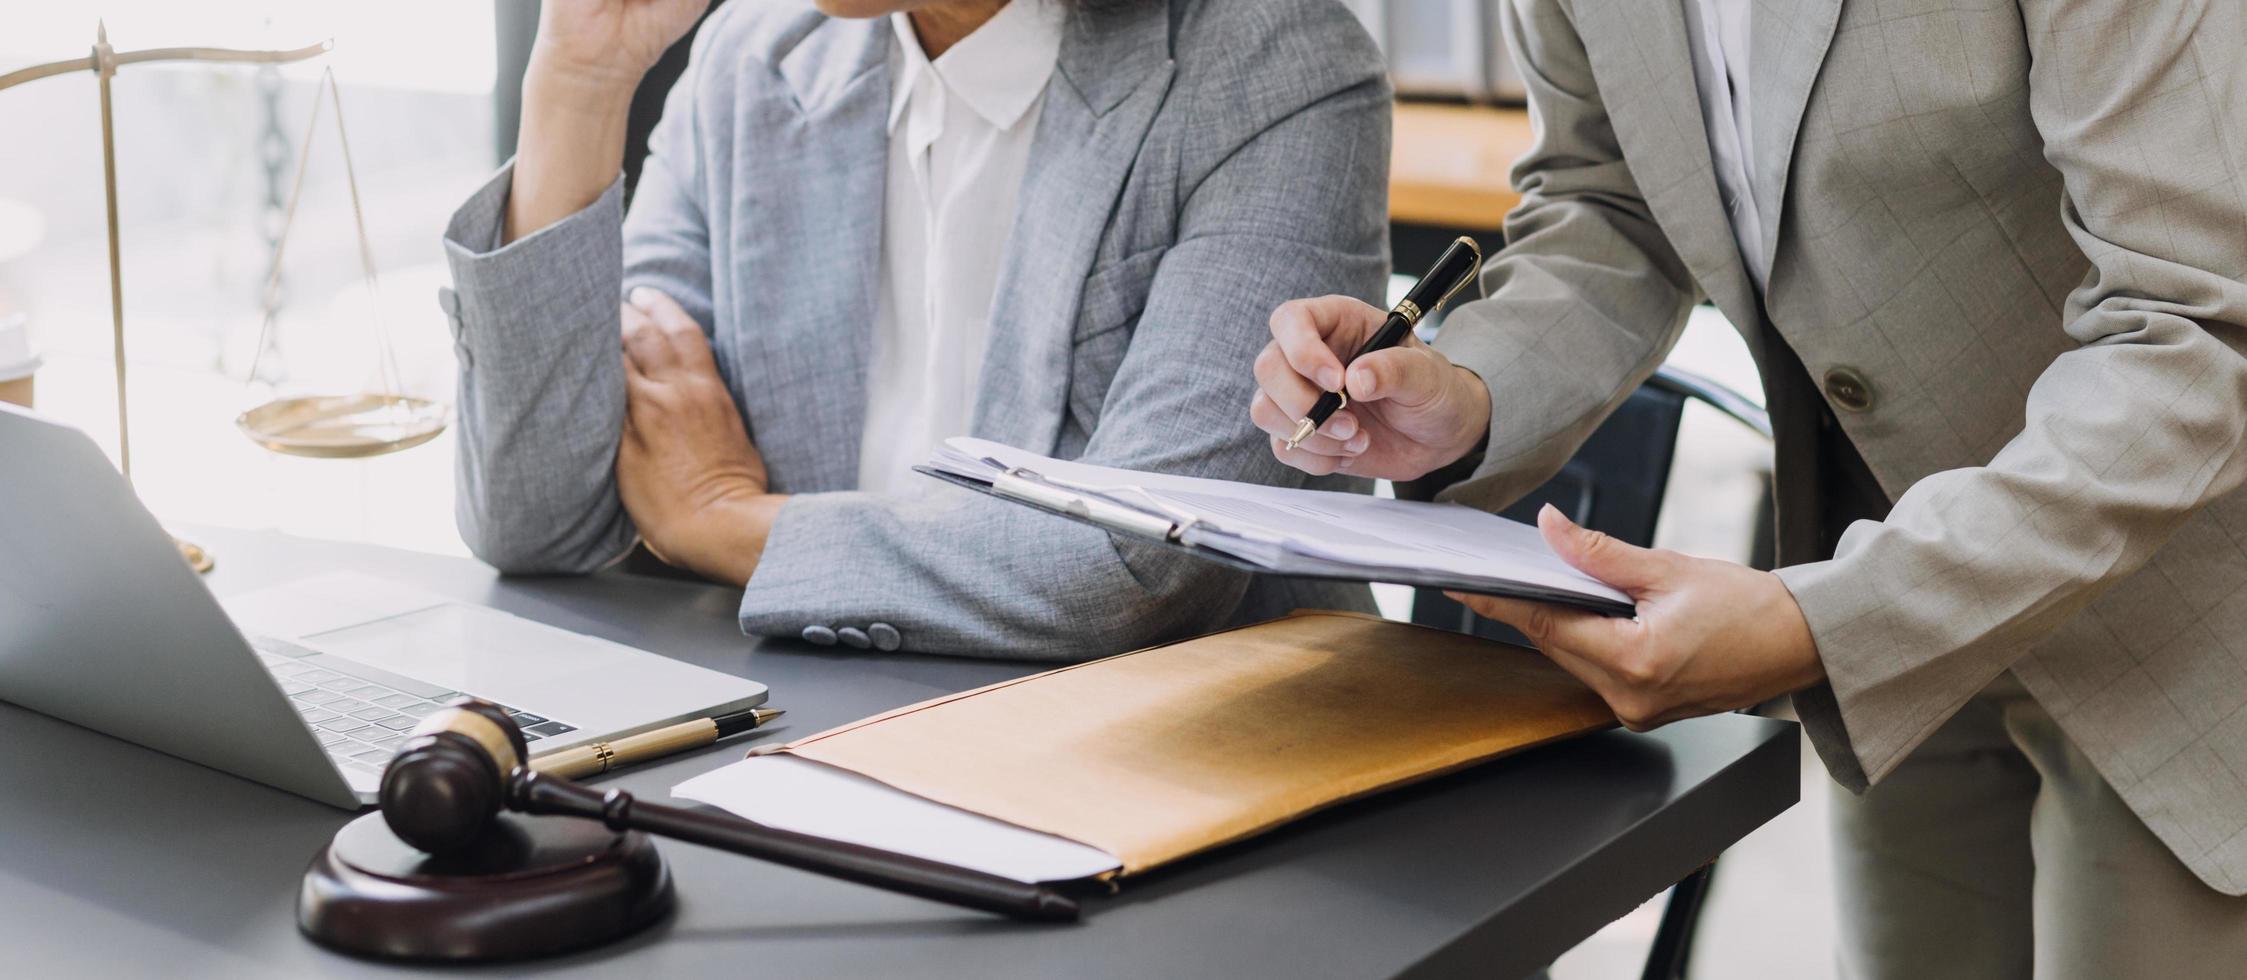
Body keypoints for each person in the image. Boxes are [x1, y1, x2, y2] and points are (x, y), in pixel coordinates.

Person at [1251, 0, 2247, 975]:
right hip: (1895, 624)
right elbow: (1611, 204)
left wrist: (1820, 622)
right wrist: (1468, 394)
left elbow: (2196, 326)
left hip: (2181, 603)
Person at [439, 0, 1389, 660]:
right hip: (813, 742)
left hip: (1185, 773)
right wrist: (581, 76)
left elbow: (1132, 568)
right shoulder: (755, 53)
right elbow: (540, 520)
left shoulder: (1277, 66)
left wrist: (723, 522)